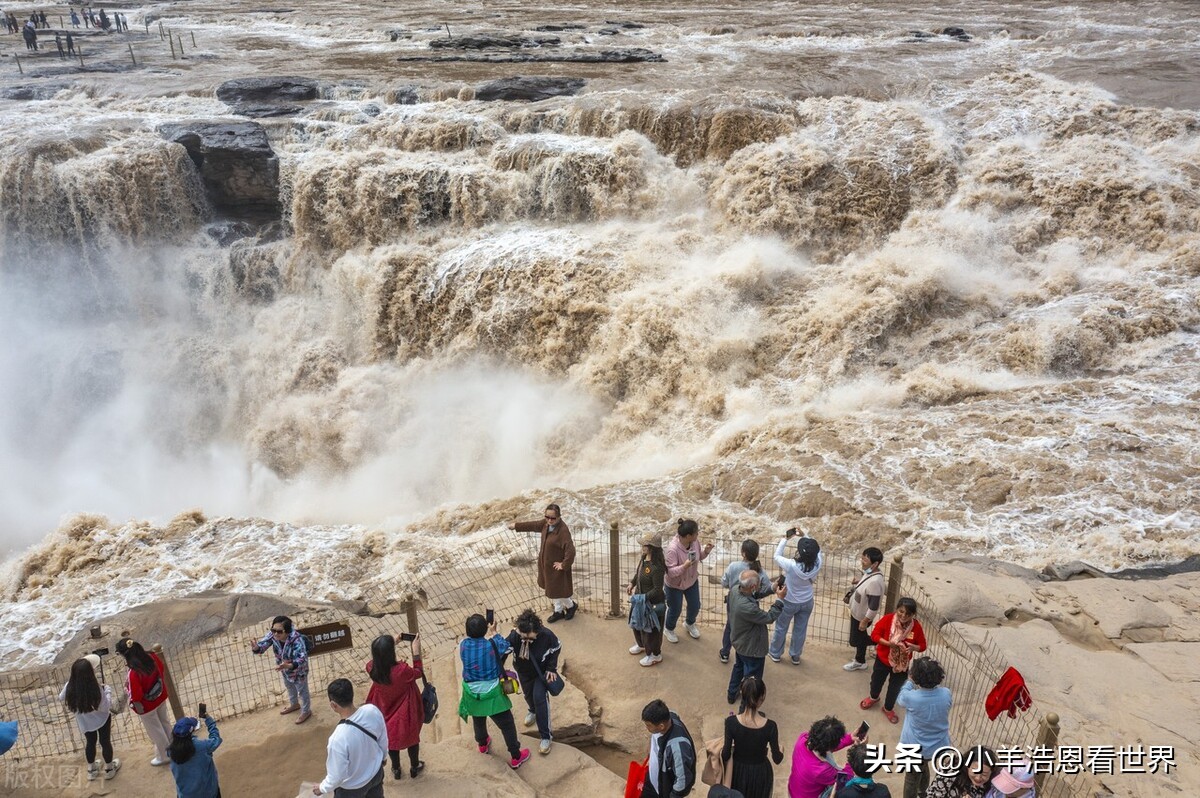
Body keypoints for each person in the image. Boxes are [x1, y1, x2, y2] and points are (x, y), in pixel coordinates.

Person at [457, 613, 531, 769]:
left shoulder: (463, 645)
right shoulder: (492, 644)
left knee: (478, 718)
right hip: (491, 692)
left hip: (471, 692)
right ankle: (516, 756)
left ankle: (482, 744)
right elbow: (505, 646)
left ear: (467, 631)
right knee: (507, 724)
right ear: (485, 629)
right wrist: (494, 632)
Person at [364, 633, 425, 780]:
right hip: (404, 708)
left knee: (390, 739)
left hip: (384, 708)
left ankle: (396, 768)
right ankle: (414, 766)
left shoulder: (372, 668)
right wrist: (416, 652)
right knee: (412, 738)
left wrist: (392, 643)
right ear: (391, 653)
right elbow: (418, 673)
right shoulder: (402, 670)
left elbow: (376, 661)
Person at [313, 679, 387, 797]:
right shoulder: (372, 710)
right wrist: (383, 757)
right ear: (352, 695)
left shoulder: (337, 739)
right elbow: (383, 738)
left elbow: (337, 776)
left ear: (333, 705)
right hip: (376, 773)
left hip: (353, 788)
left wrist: (322, 788)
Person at [860, 597, 926, 724]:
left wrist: (914, 647)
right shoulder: (888, 619)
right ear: (897, 609)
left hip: (901, 665)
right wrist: (888, 644)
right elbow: (874, 635)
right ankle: (874, 698)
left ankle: (888, 708)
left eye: (908, 614)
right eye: (901, 611)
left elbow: (923, 645)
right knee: (876, 681)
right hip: (883, 659)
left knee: (895, 688)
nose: (904, 616)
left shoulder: (916, 627)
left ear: (913, 615)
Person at [506, 608, 561, 755]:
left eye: (530, 638)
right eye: (524, 637)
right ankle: (532, 710)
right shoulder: (515, 636)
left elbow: (556, 647)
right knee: (528, 696)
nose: (526, 640)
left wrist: (551, 668)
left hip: (540, 673)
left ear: (538, 630)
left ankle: (545, 736)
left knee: (540, 699)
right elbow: (503, 650)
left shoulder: (547, 636)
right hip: (523, 672)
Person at [727, 570, 787, 705]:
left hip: (740, 642)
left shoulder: (736, 589)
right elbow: (769, 617)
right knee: (752, 681)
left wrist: (772, 588)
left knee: (739, 667)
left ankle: (732, 694)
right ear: (753, 586)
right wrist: (779, 600)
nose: (760, 585)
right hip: (752, 648)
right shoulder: (747, 607)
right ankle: (746, 707)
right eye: (759, 583)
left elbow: (755, 594)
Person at [510, 503, 576, 622]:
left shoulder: (563, 531)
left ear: (559, 517)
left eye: (553, 518)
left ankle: (571, 606)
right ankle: (558, 611)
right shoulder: (545, 524)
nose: (549, 520)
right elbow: (533, 525)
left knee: (560, 592)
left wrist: (563, 565)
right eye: (547, 517)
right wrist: (516, 526)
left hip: (557, 569)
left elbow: (570, 551)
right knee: (552, 590)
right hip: (546, 566)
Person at [59, 654, 120, 781]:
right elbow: (105, 706)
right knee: (105, 742)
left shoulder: (69, 686)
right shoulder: (96, 689)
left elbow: (61, 697)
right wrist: (107, 690)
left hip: (85, 722)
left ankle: (91, 770)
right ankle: (109, 768)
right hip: (102, 720)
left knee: (90, 743)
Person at [896, 657, 951, 798]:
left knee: (911, 778)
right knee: (924, 765)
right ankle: (923, 792)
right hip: (936, 745)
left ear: (915, 676)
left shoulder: (912, 697)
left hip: (914, 747)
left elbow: (901, 698)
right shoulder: (946, 693)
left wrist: (909, 682)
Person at [721, 676, 783, 798]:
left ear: (742, 695)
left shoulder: (731, 722)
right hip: (760, 773)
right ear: (761, 698)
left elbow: (725, 755)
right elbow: (777, 759)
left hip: (737, 771)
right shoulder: (771, 726)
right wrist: (782, 749)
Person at [116, 638, 172, 766]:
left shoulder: (133, 672)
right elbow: (161, 669)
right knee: (165, 722)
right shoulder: (151, 656)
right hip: (160, 696)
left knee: (155, 730)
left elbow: (136, 696)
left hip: (147, 706)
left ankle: (164, 756)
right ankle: (173, 747)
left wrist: (127, 688)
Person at [770, 530, 822, 665]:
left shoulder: (791, 565)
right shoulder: (818, 563)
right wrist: (806, 536)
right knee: (800, 629)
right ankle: (795, 656)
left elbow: (776, 556)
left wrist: (785, 539)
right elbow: (817, 551)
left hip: (788, 601)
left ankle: (775, 653)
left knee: (781, 628)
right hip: (807, 601)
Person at [249, 615, 311, 724]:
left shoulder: (296, 639)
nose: (275, 633)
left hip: (299, 670)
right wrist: (256, 648)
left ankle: (306, 711)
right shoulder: (273, 635)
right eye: (273, 630)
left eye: (279, 631)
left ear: (287, 631)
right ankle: (294, 704)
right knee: (289, 686)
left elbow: (302, 659)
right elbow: (262, 646)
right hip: (284, 668)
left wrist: (289, 665)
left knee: (302, 691)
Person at [719, 539, 772, 664]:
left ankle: (725, 652)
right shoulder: (760, 571)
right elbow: (767, 587)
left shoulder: (733, 566)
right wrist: (757, 595)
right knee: (750, 628)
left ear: (743, 553)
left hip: (733, 600)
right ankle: (745, 652)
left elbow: (724, 582)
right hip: (751, 602)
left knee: (730, 625)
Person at [787, 716, 865, 798]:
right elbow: (844, 778)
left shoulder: (803, 738)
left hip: (793, 789)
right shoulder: (821, 770)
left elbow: (824, 743)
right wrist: (856, 753)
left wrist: (850, 738)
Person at [663, 518, 713, 642]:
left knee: (695, 605)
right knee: (675, 609)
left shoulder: (695, 542)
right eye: (696, 533)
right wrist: (684, 567)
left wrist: (706, 552)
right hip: (674, 585)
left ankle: (689, 623)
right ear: (689, 535)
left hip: (691, 581)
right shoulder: (672, 549)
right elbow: (669, 572)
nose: (698, 534)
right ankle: (668, 628)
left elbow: (698, 556)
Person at [641, 699, 695, 798]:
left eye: (648, 725)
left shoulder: (677, 748)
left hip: (664, 787)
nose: (646, 728)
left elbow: (683, 779)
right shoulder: (669, 716)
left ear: (661, 726)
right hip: (653, 779)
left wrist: (673, 796)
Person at [628, 531, 667, 667]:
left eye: (644, 544)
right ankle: (642, 645)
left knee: (651, 631)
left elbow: (657, 589)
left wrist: (643, 597)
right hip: (640, 600)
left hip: (652, 604)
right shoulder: (644, 558)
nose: (642, 547)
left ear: (651, 547)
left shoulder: (657, 567)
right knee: (637, 625)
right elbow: (638, 573)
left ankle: (655, 655)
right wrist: (632, 583)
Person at [844, 548, 886, 671]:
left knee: (855, 640)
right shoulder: (870, 572)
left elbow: (873, 606)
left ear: (875, 564)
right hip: (858, 613)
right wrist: (859, 582)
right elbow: (866, 585)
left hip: (861, 616)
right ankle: (860, 660)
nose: (862, 561)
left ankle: (879, 642)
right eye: (862, 558)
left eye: (865, 560)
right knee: (860, 638)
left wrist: (865, 620)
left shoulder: (875, 582)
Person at [168, 709, 221, 798]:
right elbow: (216, 739)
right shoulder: (202, 746)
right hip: (208, 793)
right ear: (191, 732)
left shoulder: (170, 751)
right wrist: (209, 720)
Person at [925, 746, 997, 798]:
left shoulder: (994, 783)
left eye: (984, 774)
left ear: (991, 772)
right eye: (975, 771)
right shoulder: (950, 772)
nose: (978, 778)